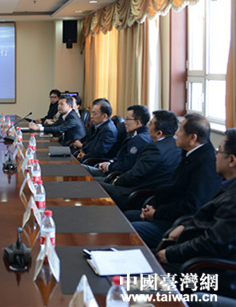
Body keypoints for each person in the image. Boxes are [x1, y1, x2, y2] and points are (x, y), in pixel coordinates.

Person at [156, 129, 236, 299]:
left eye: (219, 151)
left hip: (213, 274)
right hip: (198, 260)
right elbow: (211, 219)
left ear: (231, 160)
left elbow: (214, 243)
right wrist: (185, 225)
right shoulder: (228, 186)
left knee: (141, 281)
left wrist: (172, 253)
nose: (215, 156)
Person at [125, 114, 222, 248]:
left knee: (128, 229)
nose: (176, 134)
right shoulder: (189, 153)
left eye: (180, 131)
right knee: (126, 216)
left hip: (180, 224)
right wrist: (153, 207)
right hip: (167, 211)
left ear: (192, 138)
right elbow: (174, 189)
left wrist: (157, 213)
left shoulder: (206, 164)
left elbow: (192, 205)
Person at [100, 110, 183, 210]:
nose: (147, 126)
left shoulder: (154, 148)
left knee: (95, 186)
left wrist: (117, 181)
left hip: (138, 196)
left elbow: (135, 175)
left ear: (158, 133)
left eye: (150, 124)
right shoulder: (177, 146)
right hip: (155, 195)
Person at [83, 104, 152, 177]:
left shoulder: (139, 140)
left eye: (128, 119)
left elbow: (126, 165)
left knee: (79, 169)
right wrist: (109, 162)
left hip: (115, 175)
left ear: (137, 122)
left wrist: (108, 167)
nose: (125, 122)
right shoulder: (136, 135)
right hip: (113, 168)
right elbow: (121, 158)